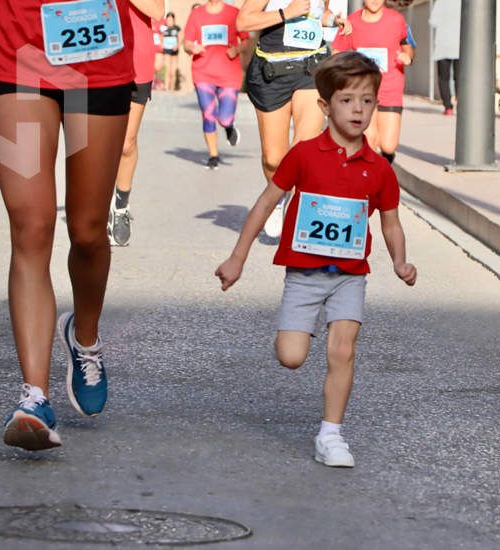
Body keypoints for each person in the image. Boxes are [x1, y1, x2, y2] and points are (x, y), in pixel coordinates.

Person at [214, 52, 417, 467]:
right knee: (292, 357)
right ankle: (290, 338)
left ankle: (331, 435)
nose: (358, 110)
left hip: (349, 276)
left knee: (342, 350)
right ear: (325, 106)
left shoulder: (379, 169)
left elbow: (391, 223)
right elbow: (265, 203)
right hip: (304, 275)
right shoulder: (303, 155)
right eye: (347, 100)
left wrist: (400, 261)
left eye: (366, 101)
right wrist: (237, 258)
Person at [0, 0, 136, 450]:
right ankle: (34, 399)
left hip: (99, 49)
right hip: (18, 45)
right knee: (31, 226)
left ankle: (84, 336)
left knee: (88, 231)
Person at [236, 0, 350, 239]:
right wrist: (286, 12)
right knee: (273, 158)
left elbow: (319, 14)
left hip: (311, 69)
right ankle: (278, 197)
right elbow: (243, 21)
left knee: (304, 150)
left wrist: (332, 20)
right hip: (271, 72)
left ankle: (297, 214)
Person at [108, 0, 165, 247]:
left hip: (136, 62)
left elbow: (158, 11)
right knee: (96, 142)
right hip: (101, 59)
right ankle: (96, 204)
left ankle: (120, 206)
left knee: (126, 143)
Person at [332, 0, 413, 164]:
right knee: (370, 139)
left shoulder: (396, 20)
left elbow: (408, 45)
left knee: (389, 146)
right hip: (362, 90)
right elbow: (336, 52)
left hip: (390, 87)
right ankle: (371, 182)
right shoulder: (352, 21)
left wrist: (408, 57)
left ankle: (383, 167)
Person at [184, 0, 251, 170]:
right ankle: (213, 155)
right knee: (208, 114)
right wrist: (193, 48)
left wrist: (236, 50)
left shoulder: (234, 13)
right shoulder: (197, 14)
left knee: (225, 117)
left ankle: (228, 126)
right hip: (203, 73)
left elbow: (246, 41)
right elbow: (186, 43)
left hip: (228, 74)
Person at [428, 0, 459, 115]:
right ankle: (460, 102)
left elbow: (433, 21)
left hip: (443, 44)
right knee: (460, 77)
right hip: (459, 45)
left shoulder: (441, 2)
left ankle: (448, 107)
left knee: (443, 78)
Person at [160, 12, 182, 91]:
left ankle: (172, 88)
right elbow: (161, 37)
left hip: (174, 50)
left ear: (173, 20)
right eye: (168, 19)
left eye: (171, 19)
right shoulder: (164, 28)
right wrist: (162, 44)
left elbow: (180, 38)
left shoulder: (177, 28)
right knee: (167, 70)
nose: (169, 21)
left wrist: (177, 46)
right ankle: (166, 87)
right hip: (166, 50)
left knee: (173, 70)